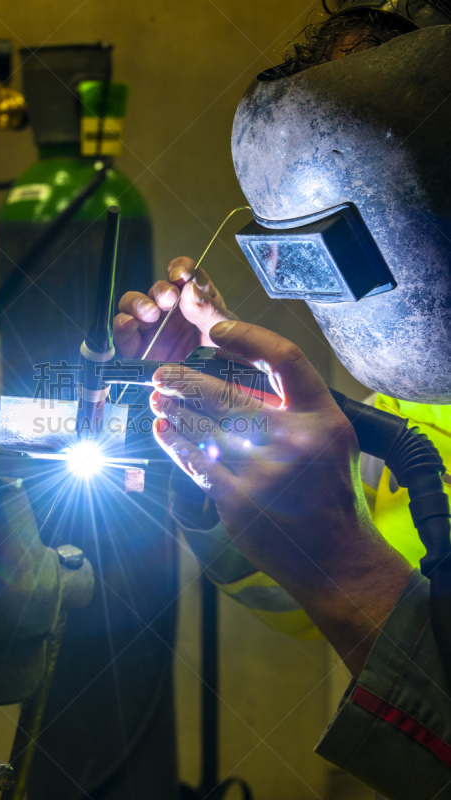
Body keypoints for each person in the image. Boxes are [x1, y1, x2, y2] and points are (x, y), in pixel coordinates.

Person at [114, 1, 451, 797]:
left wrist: (346, 575)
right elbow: (302, 592)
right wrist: (224, 450)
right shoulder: (412, 410)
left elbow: (352, 580)